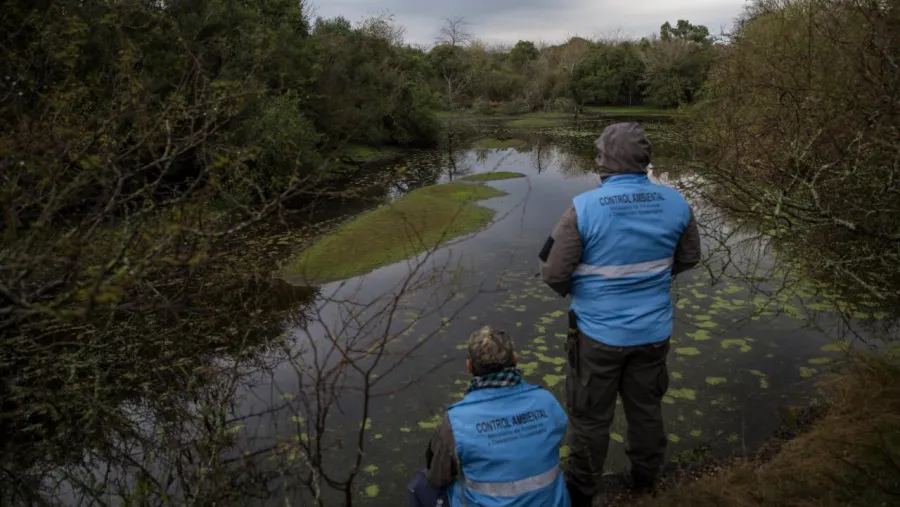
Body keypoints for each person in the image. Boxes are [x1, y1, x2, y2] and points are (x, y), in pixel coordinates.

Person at [538, 122, 701, 506]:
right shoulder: (677, 203)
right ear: (644, 159)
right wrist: (652, 279)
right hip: (654, 333)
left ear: (603, 160)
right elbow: (689, 257)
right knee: (646, 410)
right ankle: (645, 482)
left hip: (597, 336)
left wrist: (582, 289)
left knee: (590, 419)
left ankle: (582, 492)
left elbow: (554, 273)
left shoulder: (583, 209)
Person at [409, 326, 571, 507]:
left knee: (420, 485)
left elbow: (437, 478)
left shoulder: (456, 421)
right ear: (515, 359)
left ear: (469, 366)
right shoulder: (547, 401)